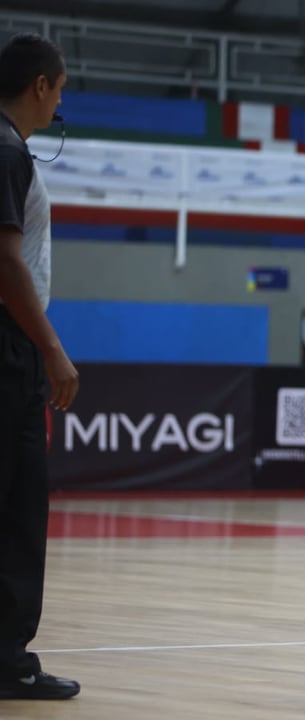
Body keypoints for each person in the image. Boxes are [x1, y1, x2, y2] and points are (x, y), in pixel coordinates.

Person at [0, 33, 81, 701]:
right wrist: (50, 346)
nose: (61, 98)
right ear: (40, 87)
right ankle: (8, 662)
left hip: (13, 347)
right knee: (18, 510)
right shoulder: (4, 151)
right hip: (9, 349)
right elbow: (5, 261)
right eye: (60, 87)